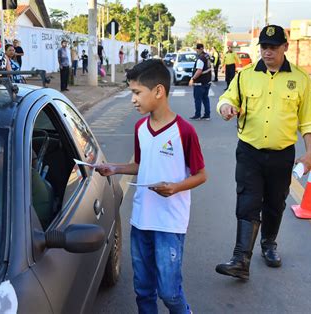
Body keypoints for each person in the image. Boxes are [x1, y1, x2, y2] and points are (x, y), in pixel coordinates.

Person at [96, 59, 207, 314]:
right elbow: (141, 164)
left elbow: (201, 175)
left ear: (158, 91)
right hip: (141, 221)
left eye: (137, 93)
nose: (133, 99)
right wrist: (114, 168)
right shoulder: (140, 128)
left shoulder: (184, 131)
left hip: (170, 224)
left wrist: (176, 187)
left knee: (169, 292)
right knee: (143, 290)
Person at [215, 25, 311, 280]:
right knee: (248, 202)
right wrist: (227, 108)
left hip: (281, 154)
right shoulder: (245, 76)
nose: (268, 52)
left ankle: (268, 243)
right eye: (264, 47)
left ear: (285, 46)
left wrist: (309, 154)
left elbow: (308, 122)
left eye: (273, 47)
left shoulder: (301, 79)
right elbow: (226, 99)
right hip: (249, 152)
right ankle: (241, 259)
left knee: (275, 204)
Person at [189, 43, 213, 121]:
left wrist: (192, 79)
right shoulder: (207, 56)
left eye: (197, 49)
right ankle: (207, 115)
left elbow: (199, 71)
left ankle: (197, 115)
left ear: (199, 49)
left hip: (200, 83)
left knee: (198, 99)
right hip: (207, 81)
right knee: (205, 98)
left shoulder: (200, 58)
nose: (197, 51)